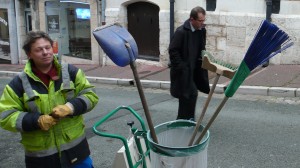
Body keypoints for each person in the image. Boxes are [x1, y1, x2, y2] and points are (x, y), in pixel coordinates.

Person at [0, 31, 99, 168]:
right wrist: (36, 120)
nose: (45, 52)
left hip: (77, 153)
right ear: (29, 54)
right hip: (41, 159)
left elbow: (90, 94)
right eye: (39, 50)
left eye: (48, 47)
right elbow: (5, 116)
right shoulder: (18, 83)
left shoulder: (70, 72)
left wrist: (70, 107)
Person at [168, 6, 210, 120]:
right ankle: (185, 121)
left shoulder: (201, 30)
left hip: (195, 69)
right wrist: (182, 67)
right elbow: (173, 50)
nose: (202, 23)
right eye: (200, 21)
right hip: (184, 71)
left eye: (203, 20)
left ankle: (185, 120)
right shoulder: (181, 32)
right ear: (192, 19)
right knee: (189, 94)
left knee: (189, 95)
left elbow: (202, 47)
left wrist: (204, 59)